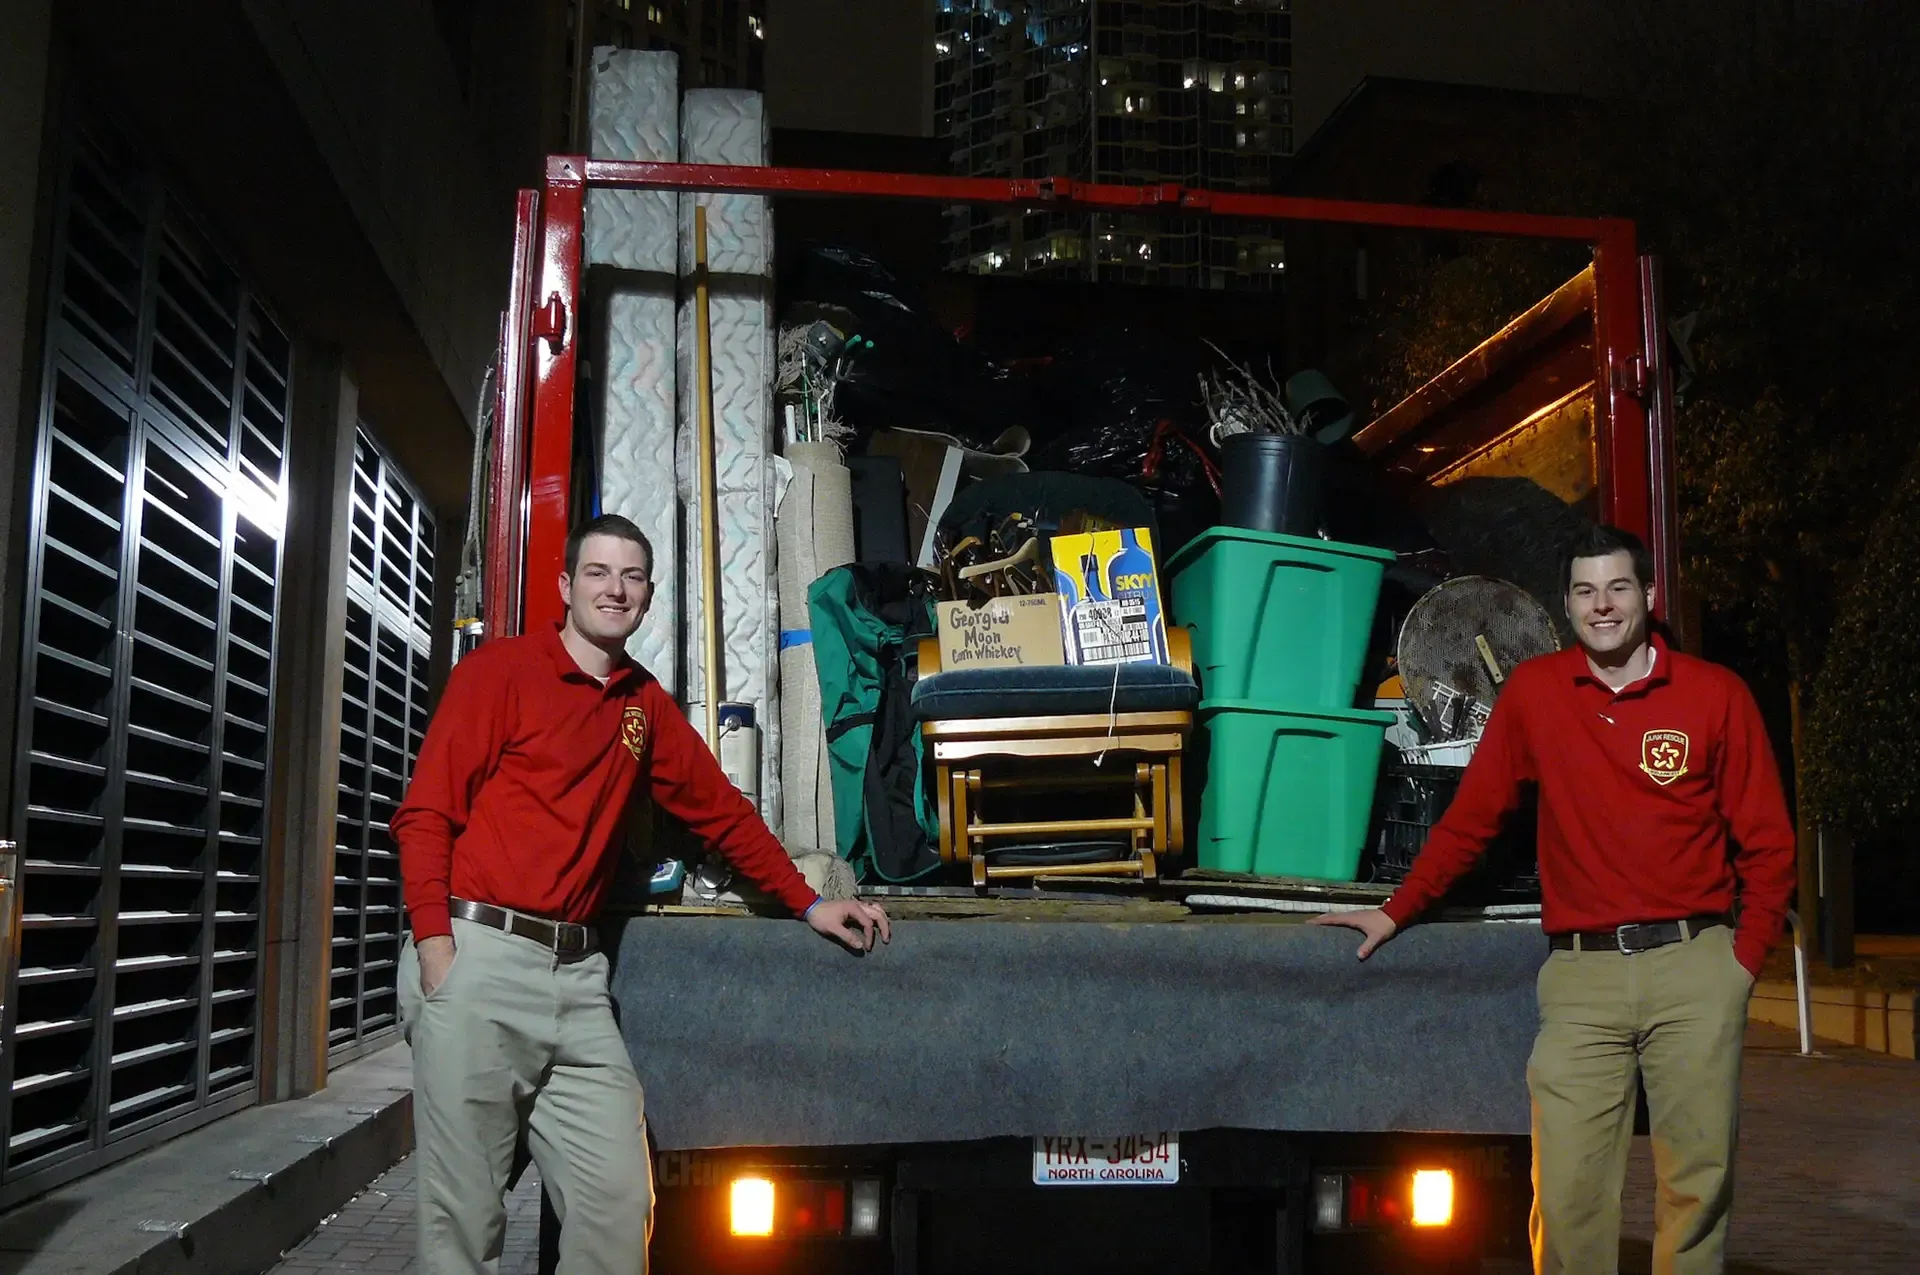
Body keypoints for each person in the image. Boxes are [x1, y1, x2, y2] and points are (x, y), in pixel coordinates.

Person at [393, 514, 891, 1275]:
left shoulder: (641, 707)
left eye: (630, 577)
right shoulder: (499, 673)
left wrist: (808, 900)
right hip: (479, 961)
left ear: (648, 596)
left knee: (619, 1208)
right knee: (463, 1228)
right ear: (565, 586)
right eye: (597, 572)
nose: (614, 588)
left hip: (578, 979)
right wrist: (435, 947)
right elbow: (425, 813)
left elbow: (721, 809)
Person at [1313, 525, 1796, 1275]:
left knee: (1697, 1187)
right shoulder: (1536, 694)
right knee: (1567, 1195)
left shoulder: (1714, 696)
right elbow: (1472, 818)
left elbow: (1767, 842)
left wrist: (1738, 965)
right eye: (1584, 590)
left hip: (1694, 967)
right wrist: (1394, 909)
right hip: (1582, 978)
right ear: (1566, 604)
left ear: (1649, 597)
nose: (1602, 605)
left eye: (1618, 587)